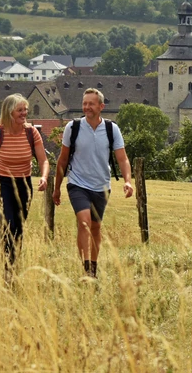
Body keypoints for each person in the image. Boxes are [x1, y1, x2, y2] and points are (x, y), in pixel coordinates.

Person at [53, 88, 133, 278]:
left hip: (102, 186)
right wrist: (56, 188)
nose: (87, 107)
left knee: (96, 228)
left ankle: (94, 269)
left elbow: (122, 159)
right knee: (84, 222)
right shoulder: (72, 128)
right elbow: (63, 159)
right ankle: (86, 268)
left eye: (91, 104)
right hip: (77, 183)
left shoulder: (111, 129)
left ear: (101, 106)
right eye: (85, 103)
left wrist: (128, 182)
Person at [0, 94, 49, 278]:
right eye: (20, 110)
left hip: (24, 184)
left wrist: (44, 177)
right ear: (9, 112)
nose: (24, 113)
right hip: (2, 184)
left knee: (18, 229)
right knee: (8, 225)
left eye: (25, 110)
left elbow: (43, 160)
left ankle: (12, 264)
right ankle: (8, 268)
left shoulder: (31, 133)